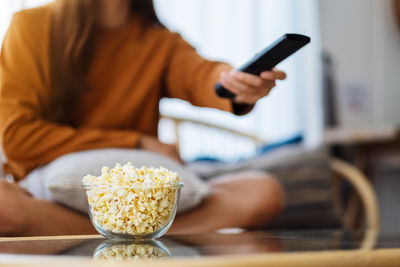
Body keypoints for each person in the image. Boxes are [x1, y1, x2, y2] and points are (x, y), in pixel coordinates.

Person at [0, 0, 286, 236]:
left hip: (142, 201)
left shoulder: (159, 42)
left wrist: (237, 85)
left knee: (264, 191)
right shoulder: (32, 26)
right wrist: (138, 143)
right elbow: (16, 137)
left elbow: (203, 76)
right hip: (48, 196)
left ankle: (109, 235)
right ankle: (158, 235)